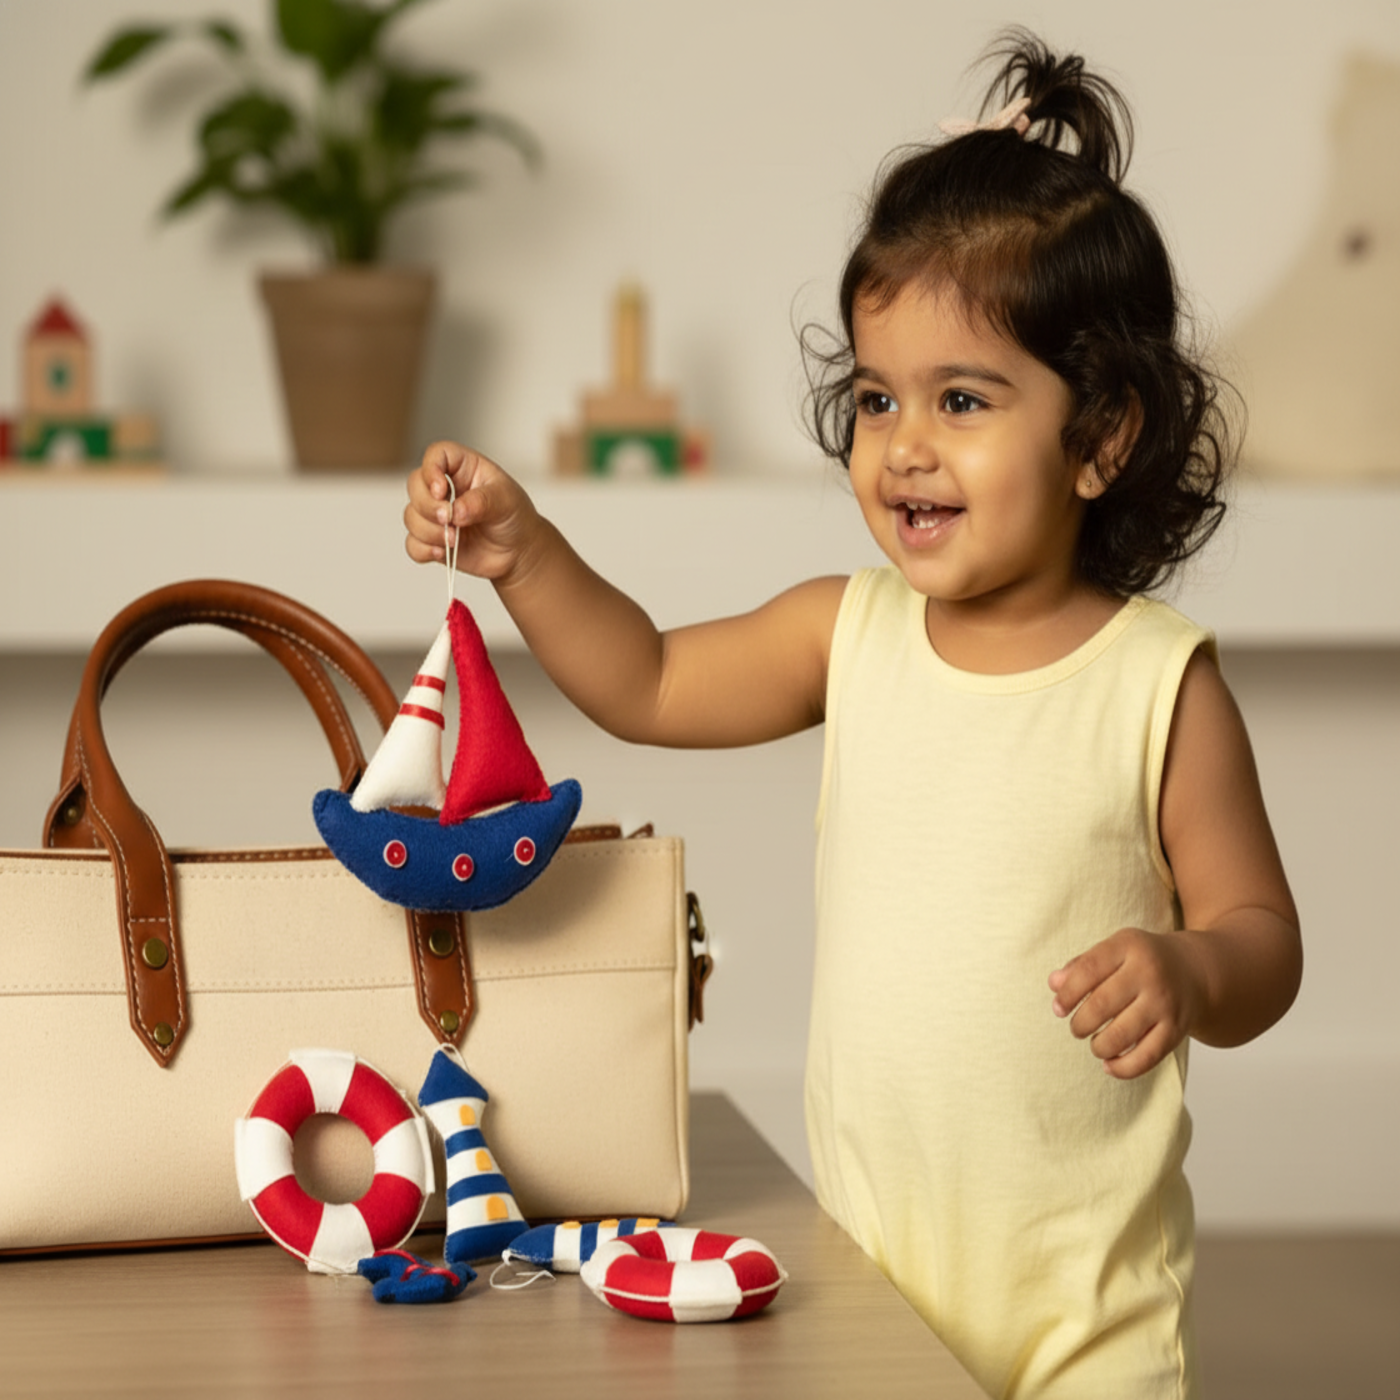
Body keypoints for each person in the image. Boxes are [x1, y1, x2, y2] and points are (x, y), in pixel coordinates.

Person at [404, 31, 1301, 1399]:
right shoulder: (849, 633)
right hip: (874, 1280)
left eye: (963, 399)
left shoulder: (1157, 688)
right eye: (879, 397)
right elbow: (645, 680)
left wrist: (1191, 971)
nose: (904, 446)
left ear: (1103, 439)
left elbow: (1264, 940)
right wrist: (524, 554)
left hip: (1088, 1322)